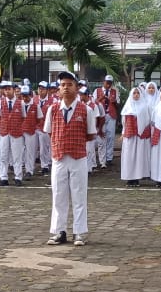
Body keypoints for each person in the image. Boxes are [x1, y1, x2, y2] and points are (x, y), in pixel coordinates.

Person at [44, 71, 98, 246]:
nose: (66, 88)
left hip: (78, 157)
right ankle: (59, 231)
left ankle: (79, 232)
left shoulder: (86, 110)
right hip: (59, 157)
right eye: (63, 85)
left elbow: (90, 134)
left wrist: (74, 143)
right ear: (58, 89)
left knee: (79, 194)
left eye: (69, 84)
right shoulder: (52, 110)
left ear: (77, 88)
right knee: (58, 194)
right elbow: (50, 132)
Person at [0, 81, 26, 186]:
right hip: (4, 132)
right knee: (3, 155)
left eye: (9, 89)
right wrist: (2, 127)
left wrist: (16, 125)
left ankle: (18, 177)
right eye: (5, 89)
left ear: (13, 90)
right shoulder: (1, 102)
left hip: (16, 132)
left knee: (17, 155)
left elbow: (23, 117)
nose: (7, 91)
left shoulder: (20, 103)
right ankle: (3, 177)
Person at [119, 86, 151, 187]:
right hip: (130, 135)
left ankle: (137, 178)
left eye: (138, 93)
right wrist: (123, 133)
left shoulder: (144, 106)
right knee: (129, 156)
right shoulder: (127, 107)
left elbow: (147, 120)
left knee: (138, 157)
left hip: (140, 136)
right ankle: (129, 178)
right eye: (134, 93)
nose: (136, 95)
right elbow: (124, 122)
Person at [94, 75, 119, 166]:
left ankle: (109, 158)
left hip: (111, 115)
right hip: (101, 116)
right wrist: (101, 98)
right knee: (101, 136)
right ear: (103, 82)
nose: (108, 84)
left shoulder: (115, 91)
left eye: (110, 83)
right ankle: (102, 158)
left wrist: (114, 101)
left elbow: (118, 104)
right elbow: (93, 103)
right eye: (107, 82)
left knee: (111, 136)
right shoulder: (97, 91)